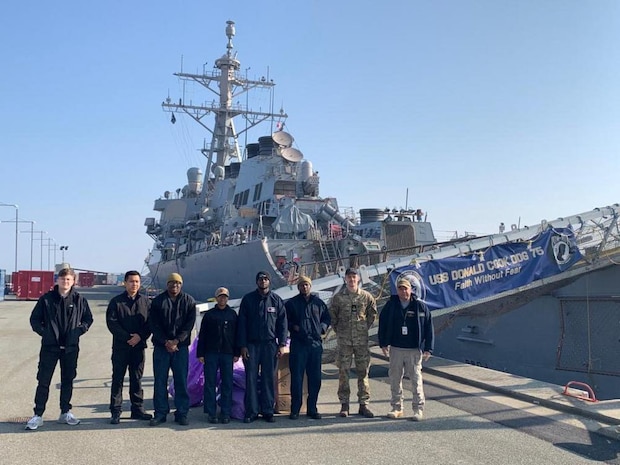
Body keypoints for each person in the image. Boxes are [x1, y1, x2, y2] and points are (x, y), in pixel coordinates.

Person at [25, 268, 93, 430]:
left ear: (73, 281)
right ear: (57, 280)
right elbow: (35, 320)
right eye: (63, 279)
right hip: (50, 347)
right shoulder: (47, 299)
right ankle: (38, 415)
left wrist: (78, 331)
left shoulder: (79, 300)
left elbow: (88, 319)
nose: (65, 282)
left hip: (70, 347)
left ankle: (65, 412)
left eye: (69, 280)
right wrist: (45, 333)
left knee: (68, 380)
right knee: (44, 380)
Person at [378, 277, 433, 421]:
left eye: (406, 288)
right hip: (396, 348)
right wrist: (383, 343)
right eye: (401, 289)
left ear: (411, 290)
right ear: (397, 291)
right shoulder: (391, 306)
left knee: (416, 379)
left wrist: (428, 348)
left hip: (413, 349)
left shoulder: (420, 307)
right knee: (395, 378)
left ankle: (418, 409)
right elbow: (382, 324)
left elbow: (428, 328)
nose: (403, 291)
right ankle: (396, 407)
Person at [237, 270, 287, 423]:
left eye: (266, 279)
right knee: (251, 378)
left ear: (269, 281)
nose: (263, 281)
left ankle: (267, 410)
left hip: (270, 345)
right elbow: (242, 325)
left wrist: (282, 344)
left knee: (268, 378)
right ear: (256, 281)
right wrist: (243, 346)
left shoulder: (276, 300)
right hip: (251, 345)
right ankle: (251, 412)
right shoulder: (248, 300)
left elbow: (282, 323)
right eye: (260, 279)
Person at [148, 272, 196, 426]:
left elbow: (189, 325)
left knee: (181, 380)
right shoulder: (157, 301)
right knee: (160, 381)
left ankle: (182, 413)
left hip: (180, 348)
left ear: (181, 285)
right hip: (162, 348)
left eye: (177, 283)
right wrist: (166, 342)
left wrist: (176, 341)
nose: (174, 286)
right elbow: (153, 324)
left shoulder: (189, 301)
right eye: (171, 283)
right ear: (167, 284)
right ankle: (160, 413)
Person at [329, 267, 377, 418]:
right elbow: (333, 317)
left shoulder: (366, 297)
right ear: (345, 279)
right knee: (344, 372)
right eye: (349, 277)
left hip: (361, 341)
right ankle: (345, 405)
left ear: (358, 279)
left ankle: (364, 405)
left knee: (363, 372)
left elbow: (372, 315)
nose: (352, 280)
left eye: (354, 277)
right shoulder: (338, 298)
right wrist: (340, 331)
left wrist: (362, 329)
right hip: (344, 341)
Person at [105, 270, 152, 424]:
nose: (134, 284)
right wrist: (127, 338)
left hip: (138, 347)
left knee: (136, 379)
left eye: (137, 281)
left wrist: (140, 336)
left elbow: (150, 323)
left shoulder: (146, 302)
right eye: (131, 281)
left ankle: (137, 410)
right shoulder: (116, 302)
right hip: (121, 347)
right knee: (118, 379)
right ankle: (116, 411)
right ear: (125, 283)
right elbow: (112, 323)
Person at [285, 276, 331, 420]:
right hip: (298, 344)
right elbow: (285, 320)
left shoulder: (318, 303)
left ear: (310, 286)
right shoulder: (291, 303)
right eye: (301, 285)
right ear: (298, 287)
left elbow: (327, 318)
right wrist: (293, 327)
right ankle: (295, 409)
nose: (304, 287)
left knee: (315, 378)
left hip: (315, 345)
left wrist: (322, 329)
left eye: (306, 285)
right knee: (297, 378)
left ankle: (312, 408)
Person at [196, 286, 239, 424]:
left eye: (225, 296)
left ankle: (225, 412)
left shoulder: (232, 314)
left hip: (227, 353)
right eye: (220, 296)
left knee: (227, 383)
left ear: (227, 298)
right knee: (210, 383)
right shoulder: (209, 315)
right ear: (216, 298)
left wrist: (237, 353)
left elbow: (237, 335)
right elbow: (202, 335)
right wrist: (200, 353)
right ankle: (211, 412)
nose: (222, 298)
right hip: (211, 353)